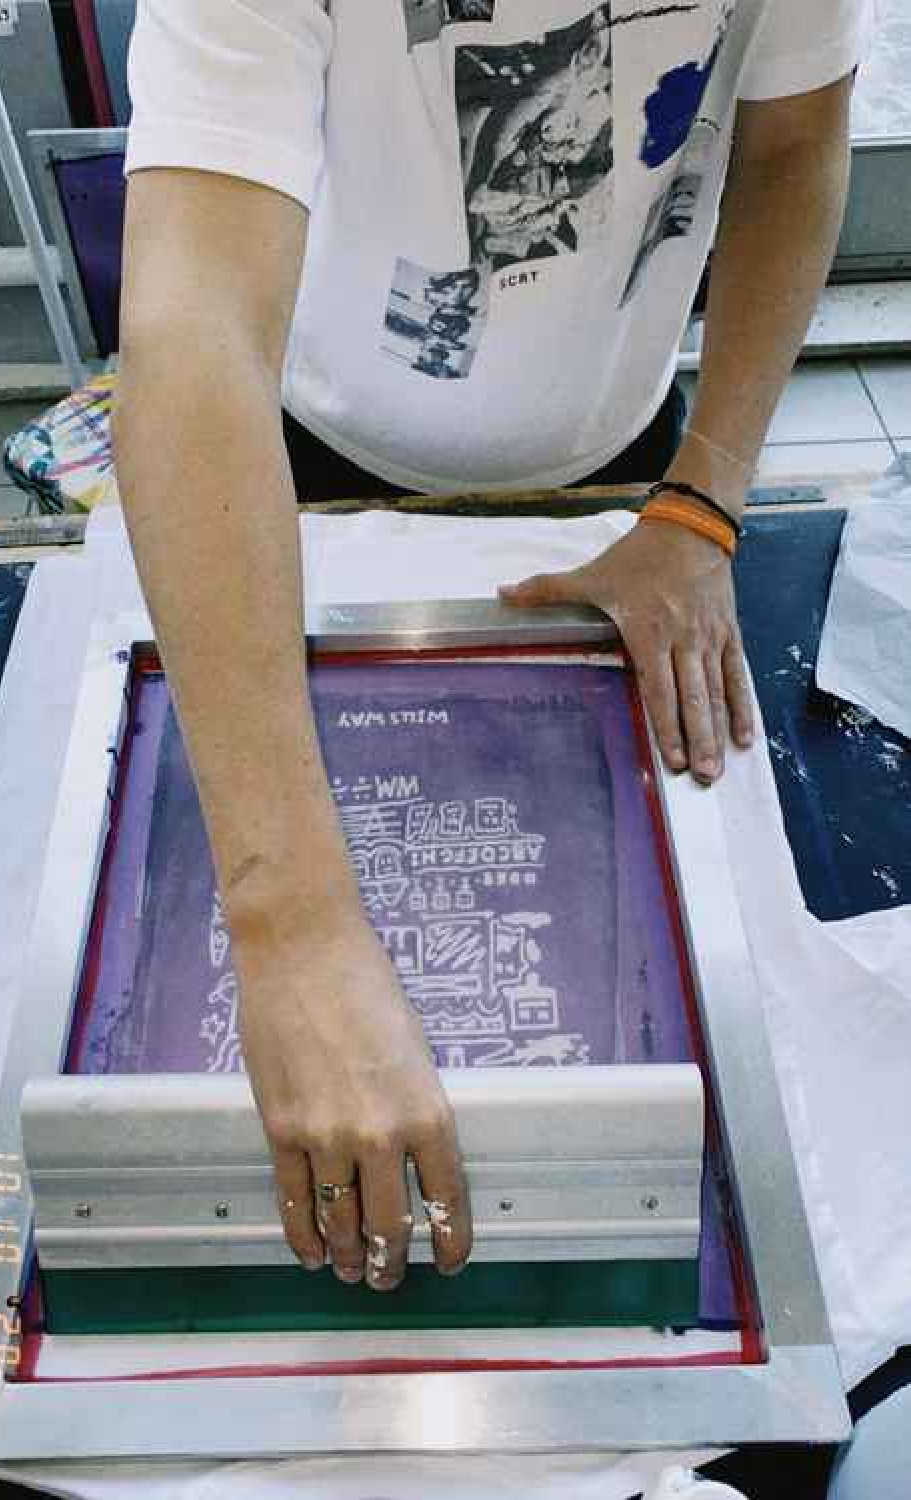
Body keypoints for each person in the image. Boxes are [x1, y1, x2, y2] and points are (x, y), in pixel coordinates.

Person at [113, 0, 868, 1294]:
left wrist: (704, 497)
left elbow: (796, 143)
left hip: (624, 454)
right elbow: (191, 324)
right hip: (303, 452)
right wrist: (289, 926)